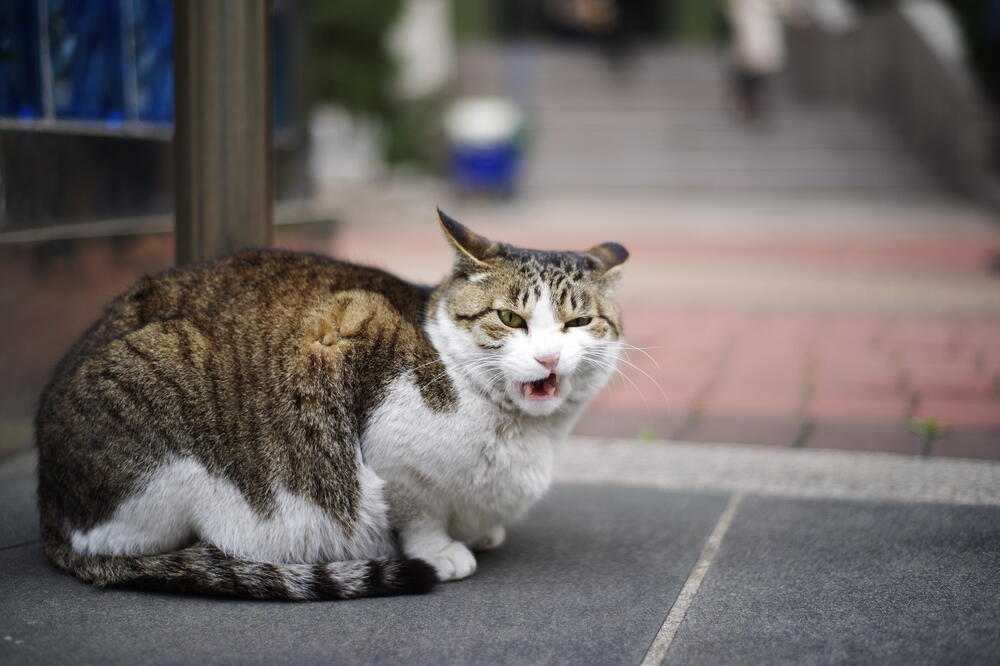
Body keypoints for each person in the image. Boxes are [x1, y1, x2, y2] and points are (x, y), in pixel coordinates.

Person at [724, 0, 801, 121]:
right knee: (750, 66)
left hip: (765, 26)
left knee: (761, 67)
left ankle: (756, 105)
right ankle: (749, 104)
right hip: (750, 24)